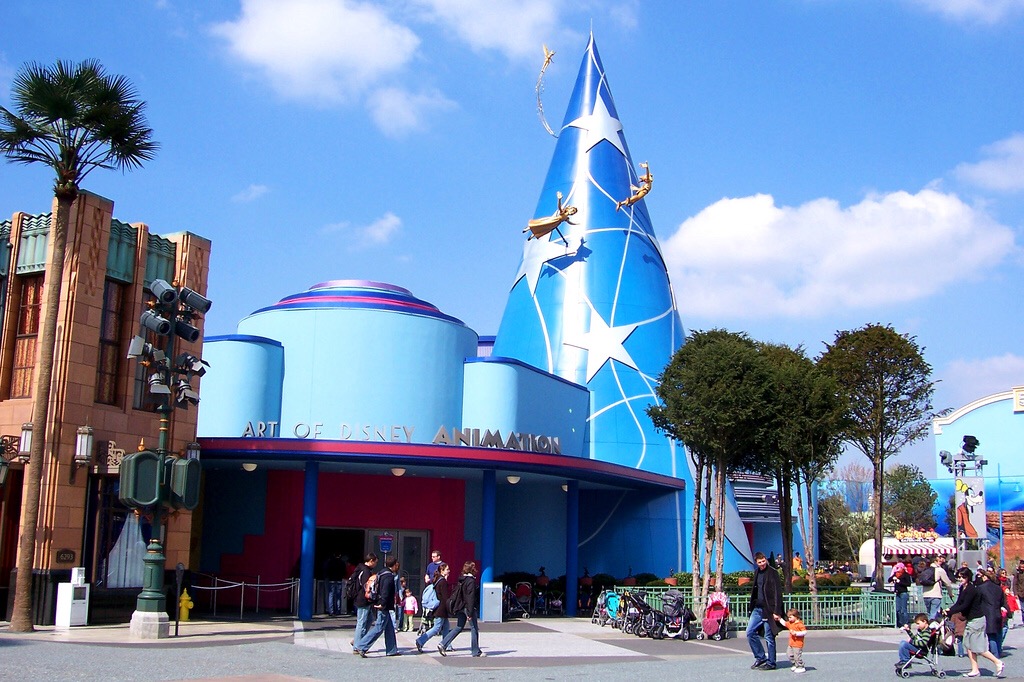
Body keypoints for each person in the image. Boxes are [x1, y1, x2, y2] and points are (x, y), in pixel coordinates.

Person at [946, 567, 1004, 678]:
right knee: (968, 645)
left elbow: (965, 605)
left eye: (963, 577)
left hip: (977, 620)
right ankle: (975, 669)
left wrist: (951, 611)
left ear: (968, 577)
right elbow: (959, 603)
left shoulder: (971, 589)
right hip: (971, 620)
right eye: (959, 577)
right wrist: (950, 610)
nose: (961, 579)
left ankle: (998, 662)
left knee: (978, 648)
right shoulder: (963, 588)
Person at [354, 556, 400, 657]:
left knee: (389, 628)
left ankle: (392, 649)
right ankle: (362, 646)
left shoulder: (381, 572)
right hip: (383, 605)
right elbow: (385, 591)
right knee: (379, 627)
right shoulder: (389, 576)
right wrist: (382, 603)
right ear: (395, 564)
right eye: (397, 564)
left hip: (380, 603)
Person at [747, 551, 784, 671]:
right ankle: (760, 657)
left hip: (769, 609)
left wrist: (777, 611)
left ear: (766, 560)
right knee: (750, 632)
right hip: (757, 608)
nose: (762, 564)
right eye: (760, 562)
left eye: (763, 561)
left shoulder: (773, 572)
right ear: (756, 563)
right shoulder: (757, 572)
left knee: (769, 636)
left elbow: (778, 592)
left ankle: (771, 662)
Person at [438, 560, 484, 658]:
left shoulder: (461, 579)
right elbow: (470, 597)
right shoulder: (471, 581)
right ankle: (475, 650)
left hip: (460, 606)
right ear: (472, 569)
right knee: (474, 628)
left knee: (459, 627)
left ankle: (443, 644)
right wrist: (470, 612)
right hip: (467, 607)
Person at [416, 562, 451, 652]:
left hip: (440, 608)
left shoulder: (437, 580)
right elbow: (444, 597)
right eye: (447, 569)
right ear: (442, 571)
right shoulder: (442, 581)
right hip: (441, 609)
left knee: (446, 627)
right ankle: (420, 641)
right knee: (436, 628)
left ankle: (446, 645)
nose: (449, 571)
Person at [349, 553, 378, 654]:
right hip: (363, 599)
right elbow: (367, 586)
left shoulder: (361, 568)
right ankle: (357, 646)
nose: (375, 564)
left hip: (361, 599)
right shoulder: (365, 571)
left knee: (369, 619)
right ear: (371, 561)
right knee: (362, 622)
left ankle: (359, 641)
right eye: (375, 562)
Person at [977, 569, 1008, 658]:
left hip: (987, 612)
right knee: (998, 633)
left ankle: (995, 654)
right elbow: (1002, 601)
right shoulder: (998, 588)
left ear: (985, 577)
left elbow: (978, 601)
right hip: (997, 612)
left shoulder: (981, 588)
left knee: (991, 635)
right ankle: (998, 650)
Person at [919, 556, 953, 621]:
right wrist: (950, 593)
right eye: (939, 561)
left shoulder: (925, 570)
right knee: (934, 614)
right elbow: (947, 583)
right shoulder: (940, 570)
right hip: (936, 595)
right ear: (935, 562)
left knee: (929, 613)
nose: (941, 562)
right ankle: (932, 628)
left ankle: (930, 626)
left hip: (926, 594)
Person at [776, 607, 807, 673]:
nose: (789, 619)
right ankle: (795, 664)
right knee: (789, 654)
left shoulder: (799, 624)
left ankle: (800, 666)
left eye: (790, 617)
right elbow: (784, 623)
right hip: (791, 643)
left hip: (798, 644)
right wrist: (779, 619)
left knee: (797, 656)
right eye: (788, 617)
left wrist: (796, 633)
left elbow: (804, 632)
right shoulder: (790, 623)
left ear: (796, 616)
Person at [324, 552, 346, 616]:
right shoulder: (342, 563)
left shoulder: (330, 562)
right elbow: (344, 571)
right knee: (338, 596)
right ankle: (338, 610)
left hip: (331, 580)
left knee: (331, 595)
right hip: (339, 579)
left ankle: (331, 611)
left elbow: (327, 571)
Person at [891, 562, 913, 628]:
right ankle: (899, 623)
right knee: (897, 609)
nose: (897, 569)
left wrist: (899, 581)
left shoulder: (906, 575)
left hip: (903, 593)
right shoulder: (896, 574)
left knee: (903, 610)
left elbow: (908, 583)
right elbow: (889, 579)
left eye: (898, 567)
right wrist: (893, 578)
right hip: (897, 593)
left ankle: (905, 624)